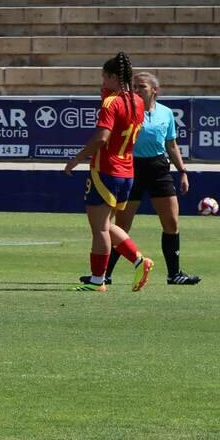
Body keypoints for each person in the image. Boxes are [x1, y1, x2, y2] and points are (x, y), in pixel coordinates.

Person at [84, 71, 199, 286]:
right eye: (134, 86)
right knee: (122, 223)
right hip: (131, 166)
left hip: (158, 167)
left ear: (154, 90)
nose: (136, 90)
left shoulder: (165, 113)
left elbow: (171, 145)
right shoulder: (129, 109)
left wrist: (182, 171)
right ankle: (105, 273)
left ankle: (174, 274)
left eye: (141, 87)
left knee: (171, 221)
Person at [64, 52, 154, 292]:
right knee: (106, 224)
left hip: (106, 169)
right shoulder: (137, 101)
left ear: (114, 77)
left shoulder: (111, 103)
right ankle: (138, 260)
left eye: (105, 77)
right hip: (126, 171)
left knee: (100, 228)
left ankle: (97, 280)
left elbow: (102, 138)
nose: (102, 82)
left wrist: (76, 159)